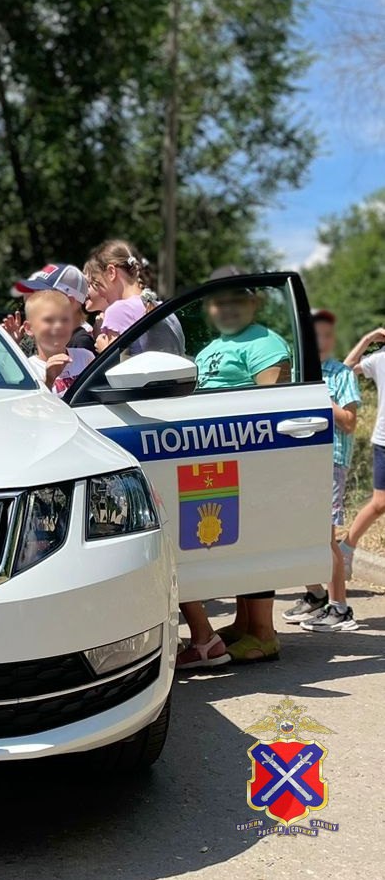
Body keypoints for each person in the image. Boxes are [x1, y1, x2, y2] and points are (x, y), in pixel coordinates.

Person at [179, 286, 291, 668]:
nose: (226, 309)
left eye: (236, 301)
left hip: (247, 453)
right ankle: (244, 624)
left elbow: (270, 406)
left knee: (255, 538)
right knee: (238, 541)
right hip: (215, 456)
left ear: (254, 304)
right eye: (219, 302)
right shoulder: (211, 348)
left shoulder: (264, 343)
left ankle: (264, 634)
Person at [281, 310, 359, 630]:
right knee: (296, 530)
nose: (321, 343)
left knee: (325, 536)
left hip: (331, 461)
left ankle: (340, 608)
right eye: (315, 337)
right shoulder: (298, 371)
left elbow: (350, 423)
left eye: (327, 336)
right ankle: (316, 595)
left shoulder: (341, 375)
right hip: (301, 460)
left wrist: (321, 397)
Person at [329, 324, 385, 630]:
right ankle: (348, 547)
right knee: (379, 503)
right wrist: (367, 339)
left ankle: (348, 547)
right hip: (384, 440)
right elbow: (345, 369)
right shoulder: (380, 359)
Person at [84, 239, 184, 356]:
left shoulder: (118, 310)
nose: (100, 293)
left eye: (97, 283)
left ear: (111, 272)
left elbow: (115, 369)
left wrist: (103, 349)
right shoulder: (163, 308)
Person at [10, 263, 95, 353]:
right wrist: (13, 344)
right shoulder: (45, 336)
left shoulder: (81, 343)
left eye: (44, 295)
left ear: (69, 302)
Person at [22, 290, 94, 394]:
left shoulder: (86, 357)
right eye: (49, 320)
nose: (59, 326)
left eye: (65, 320)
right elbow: (32, 407)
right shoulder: (28, 369)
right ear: (29, 328)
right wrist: (49, 381)